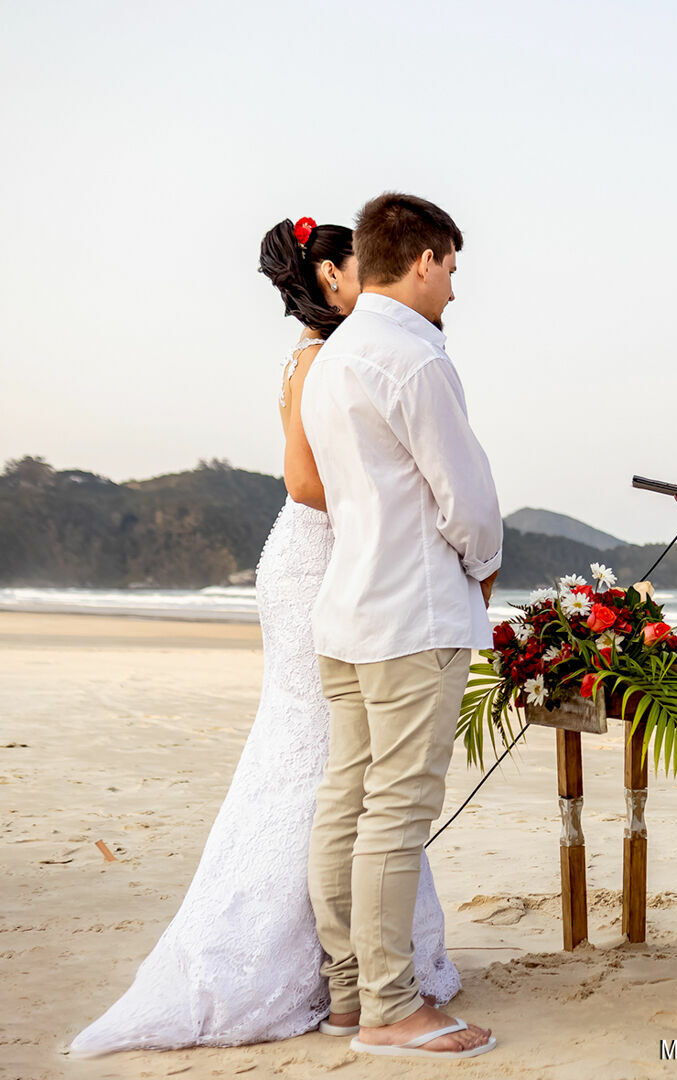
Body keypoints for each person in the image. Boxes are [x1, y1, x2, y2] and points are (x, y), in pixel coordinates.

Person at [68, 217, 461, 1056]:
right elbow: (306, 482)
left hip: (328, 560)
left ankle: (353, 974)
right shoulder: (324, 359)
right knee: (332, 763)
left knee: (331, 761)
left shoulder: (326, 354)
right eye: (362, 266)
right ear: (330, 277)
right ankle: (334, 971)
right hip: (324, 557)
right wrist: (388, 509)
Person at [299, 193, 501, 1060]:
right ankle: (389, 1008)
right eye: (450, 267)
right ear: (422, 260)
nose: (453, 286)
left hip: (347, 609)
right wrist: (485, 564)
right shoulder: (413, 357)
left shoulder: (333, 356)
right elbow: (466, 497)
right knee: (395, 813)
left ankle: (350, 995)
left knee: (345, 803)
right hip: (412, 614)